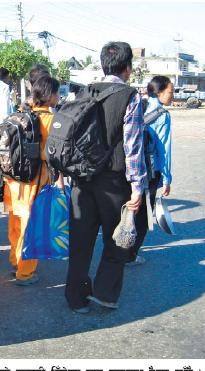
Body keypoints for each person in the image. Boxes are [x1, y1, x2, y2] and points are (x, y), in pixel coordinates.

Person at [65, 41, 146, 313]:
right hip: (113, 182)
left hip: (81, 178)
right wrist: (138, 186)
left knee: (81, 241)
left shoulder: (84, 91)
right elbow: (133, 146)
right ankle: (105, 293)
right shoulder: (130, 96)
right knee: (117, 239)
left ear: (103, 64)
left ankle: (75, 298)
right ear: (127, 67)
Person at [4, 74, 64, 285]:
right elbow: (52, 154)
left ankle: (15, 261)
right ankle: (25, 272)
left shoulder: (20, 114)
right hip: (33, 181)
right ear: (50, 95)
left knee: (15, 223)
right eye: (57, 92)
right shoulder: (50, 120)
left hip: (12, 180)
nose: (58, 96)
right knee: (31, 227)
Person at [128, 75, 174, 266]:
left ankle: (119, 248)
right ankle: (130, 255)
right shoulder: (163, 115)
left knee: (129, 208)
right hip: (150, 171)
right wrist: (167, 178)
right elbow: (164, 149)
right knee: (144, 214)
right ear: (159, 92)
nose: (172, 95)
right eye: (170, 92)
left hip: (129, 168)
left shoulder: (138, 106)